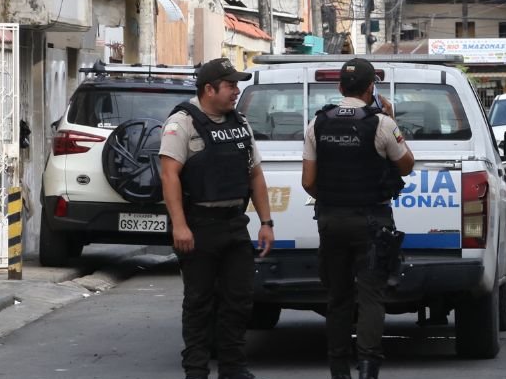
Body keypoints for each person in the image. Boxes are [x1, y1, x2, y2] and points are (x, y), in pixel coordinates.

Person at [159, 57, 275, 379]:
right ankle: (196, 370)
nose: (236, 91)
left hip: (234, 224)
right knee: (199, 303)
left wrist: (266, 222)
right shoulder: (182, 123)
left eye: (237, 85)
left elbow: (255, 175)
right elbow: (170, 176)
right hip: (199, 225)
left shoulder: (240, 123)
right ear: (209, 89)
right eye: (230, 85)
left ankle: (233, 369)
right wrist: (180, 226)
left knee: (239, 300)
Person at [302, 58, 415, 379]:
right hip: (372, 222)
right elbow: (406, 165)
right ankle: (368, 369)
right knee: (370, 297)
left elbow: (308, 182)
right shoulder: (382, 124)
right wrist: (392, 119)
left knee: (337, 298)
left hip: (331, 220)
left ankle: (339, 370)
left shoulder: (318, 123)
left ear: (339, 88)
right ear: (371, 89)